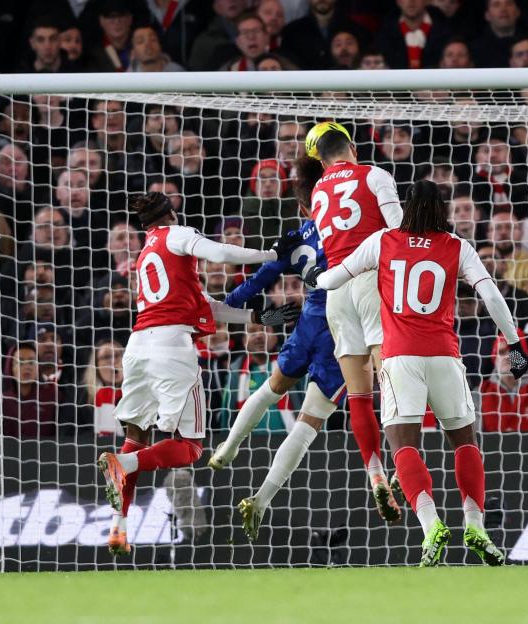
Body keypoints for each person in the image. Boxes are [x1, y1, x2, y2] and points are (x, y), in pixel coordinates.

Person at [307, 180, 528, 566]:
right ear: (442, 210)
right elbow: (491, 295)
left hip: (399, 359)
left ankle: (431, 526)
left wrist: (315, 278)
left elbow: (334, 277)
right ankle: (475, 524)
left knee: (403, 445)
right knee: (465, 443)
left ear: (405, 208)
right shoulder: (457, 246)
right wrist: (515, 345)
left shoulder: (383, 240)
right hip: (445, 355)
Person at [96, 192, 302, 557]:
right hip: (171, 348)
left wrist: (257, 318)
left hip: (138, 347)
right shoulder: (175, 234)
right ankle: (123, 464)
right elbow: (221, 253)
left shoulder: (147, 254)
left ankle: (118, 527)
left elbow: (205, 306)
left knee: (135, 437)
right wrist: (271, 255)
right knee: (189, 447)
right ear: (171, 214)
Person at [208, 157, 348, 541]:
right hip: (343, 331)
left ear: (303, 206)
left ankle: (227, 447)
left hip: (309, 322)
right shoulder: (352, 232)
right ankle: (263, 499)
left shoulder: (297, 235)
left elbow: (260, 279)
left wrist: (225, 307)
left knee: (271, 388)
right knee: (309, 423)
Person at [300, 121, 405, 523]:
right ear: (351, 148)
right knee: (394, 378)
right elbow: (398, 232)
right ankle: (401, 464)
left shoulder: (318, 190)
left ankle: (374, 474)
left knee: (358, 394)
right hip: (371, 282)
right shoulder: (375, 175)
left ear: (320, 159)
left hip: (335, 291)